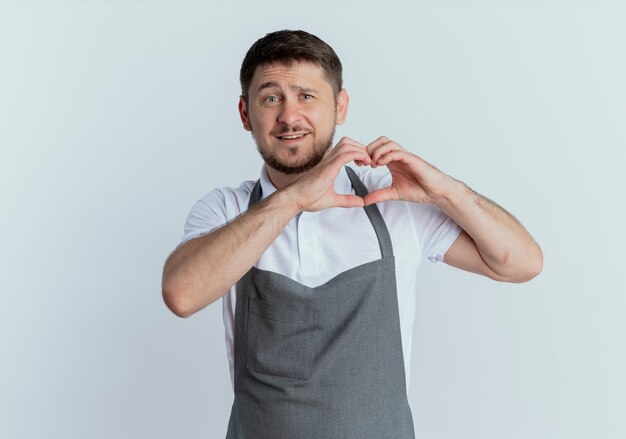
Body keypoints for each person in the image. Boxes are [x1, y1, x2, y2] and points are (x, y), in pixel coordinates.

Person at [161, 29, 543, 439]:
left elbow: (521, 264)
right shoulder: (227, 210)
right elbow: (182, 295)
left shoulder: (390, 199)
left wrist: (446, 190)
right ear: (244, 113)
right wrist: (292, 201)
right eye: (271, 98)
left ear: (340, 106)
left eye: (307, 96)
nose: (289, 116)